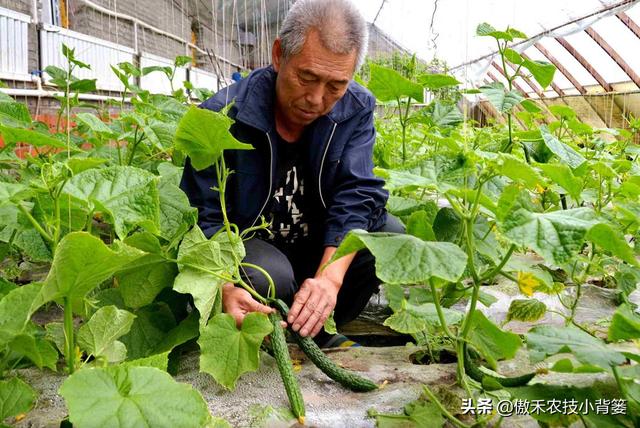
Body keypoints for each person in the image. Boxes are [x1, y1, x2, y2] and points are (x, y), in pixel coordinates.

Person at [180, 0, 403, 348]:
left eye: (335, 85)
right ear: (279, 54)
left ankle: (320, 329)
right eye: (307, 77)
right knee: (269, 274)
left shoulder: (356, 109)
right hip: (257, 252)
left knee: (387, 235)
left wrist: (329, 279)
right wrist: (223, 284)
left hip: (316, 247)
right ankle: (269, 336)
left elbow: (356, 195)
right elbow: (202, 219)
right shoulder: (222, 115)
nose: (316, 98)